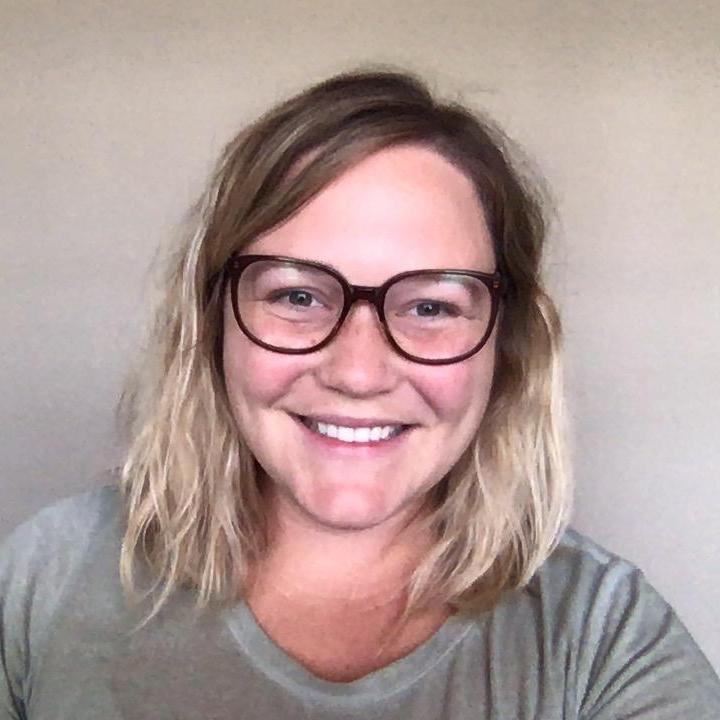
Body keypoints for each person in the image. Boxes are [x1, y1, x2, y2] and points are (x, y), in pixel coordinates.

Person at [1, 69, 718, 720]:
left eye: (431, 306)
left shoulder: (603, 640)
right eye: (298, 295)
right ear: (213, 319)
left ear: (508, 345)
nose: (359, 372)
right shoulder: (48, 578)